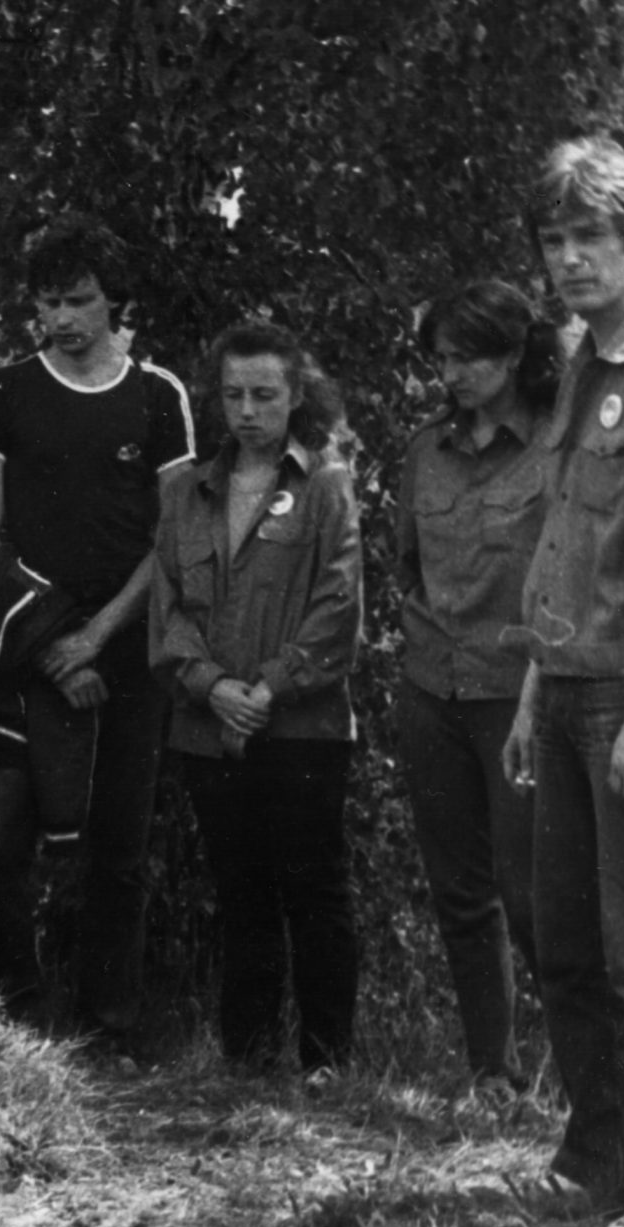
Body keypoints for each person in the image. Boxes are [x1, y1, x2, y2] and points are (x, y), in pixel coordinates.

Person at [0, 215, 194, 1040]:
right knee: (2, 834)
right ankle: (6, 1021)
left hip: (125, 653)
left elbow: (173, 540)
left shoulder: (158, 396)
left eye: (80, 300)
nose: (63, 318)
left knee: (118, 848)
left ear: (112, 301)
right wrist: (54, 642)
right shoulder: (2, 391)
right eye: (49, 301)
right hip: (20, 647)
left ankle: (107, 1027)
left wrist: (96, 639)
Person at [501, 137, 624, 1212]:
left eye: (589, 238)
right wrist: (532, 691)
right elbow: (566, 537)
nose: (567, 258)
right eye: (553, 239)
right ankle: (594, 1157)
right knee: (563, 941)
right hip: (563, 684)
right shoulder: (581, 358)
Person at [150, 323, 362, 1079]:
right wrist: (212, 687)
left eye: (264, 395)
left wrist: (269, 687)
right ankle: (246, 1061)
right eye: (234, 394)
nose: (247, 411)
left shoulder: (326, 484)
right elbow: (168, 609)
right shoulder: (187, 491)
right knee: (241, 894)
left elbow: (339, 604)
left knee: (314, 890)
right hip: (207, 729)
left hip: (303, 729)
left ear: (295, 395)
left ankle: (326, 1062)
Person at [397, 280, 556, 1093]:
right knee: (459, 893)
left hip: (521, 699)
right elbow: (407, 563)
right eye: (443, 359)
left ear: (516, 354)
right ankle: (494, 1072)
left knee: (535, 897)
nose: (452, 375)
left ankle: (586, 1077)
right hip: (433, 691)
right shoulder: (426, 450)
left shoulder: (556, 447)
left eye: (469, 358)